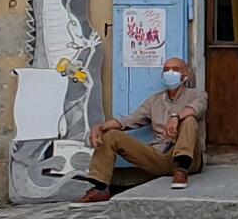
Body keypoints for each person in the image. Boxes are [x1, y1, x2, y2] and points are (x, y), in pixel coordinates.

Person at [80, 55, 206, 200]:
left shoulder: (197, 95)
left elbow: (196, 108)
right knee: (111, 135)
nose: (170, 73)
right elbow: (130, 120)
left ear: (186, 74)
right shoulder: (154, 101)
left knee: (189, 120)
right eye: (166, 70)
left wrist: (176, 117)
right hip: (160, 156)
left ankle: (181, 170)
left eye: (175, 69)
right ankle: (100, 188)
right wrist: (101, 127)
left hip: (190, 160)